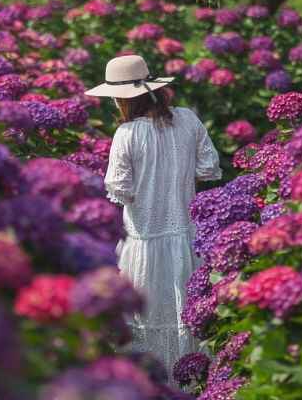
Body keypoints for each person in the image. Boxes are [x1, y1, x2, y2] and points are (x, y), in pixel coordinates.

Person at [85, 54, 222, 382]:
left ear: (122, 99)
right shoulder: (187, 119)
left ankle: (150, 388)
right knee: (188, 314)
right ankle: (194, 385)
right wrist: (178, 179)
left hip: (143, 242)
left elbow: (120, 189)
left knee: (145, 319)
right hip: (186, 238)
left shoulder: (127, 133)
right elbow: (208, 166)